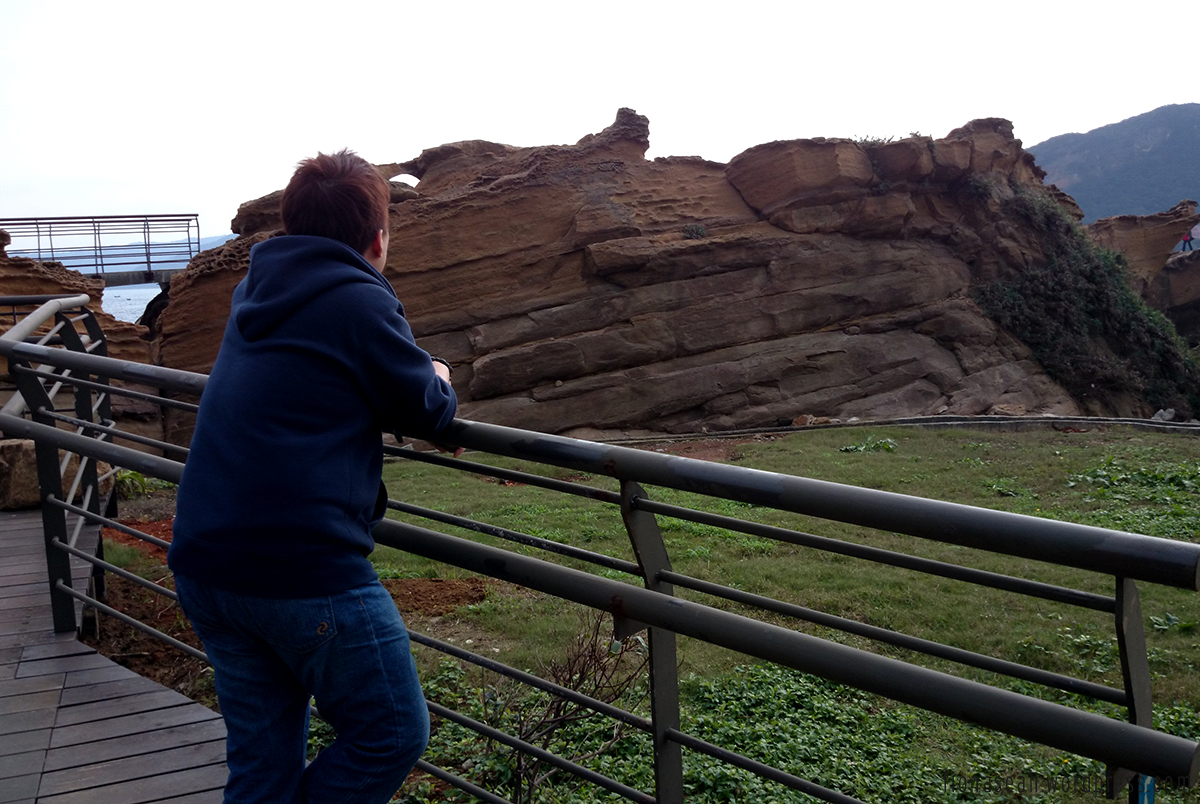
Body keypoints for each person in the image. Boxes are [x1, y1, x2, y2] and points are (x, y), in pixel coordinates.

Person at [167, 149, 459, 804]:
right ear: (378, 239)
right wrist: (437, 372)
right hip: (299, 571)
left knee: (261, 767)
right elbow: (427, 409)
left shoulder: (256, 288)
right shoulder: (359, 299)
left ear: (292, 226)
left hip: (208, 560)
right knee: (392, 732)